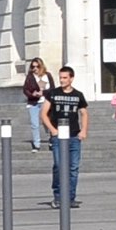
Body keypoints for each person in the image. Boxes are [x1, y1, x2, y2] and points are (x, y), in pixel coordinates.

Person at [39, 65, 89, 208]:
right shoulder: (53, 94)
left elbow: (84, 113)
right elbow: (43, 113)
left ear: (71, 78)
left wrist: (83, 130)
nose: (62, 80)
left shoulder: (78, 95)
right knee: (59, 165)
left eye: (65, 78)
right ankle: (58, 196)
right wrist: (52, 130)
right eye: (60, 78)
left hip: (74, 136)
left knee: (73, 167)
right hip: (58, 136)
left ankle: (70, 197)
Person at [22, 58, 54, 152]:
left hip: (45, 101)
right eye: (33, 67)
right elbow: (25, 89)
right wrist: (32, 94)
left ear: (41, 66)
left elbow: (53, 89)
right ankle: (36, 144)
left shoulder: (47, 75)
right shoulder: (30, 77)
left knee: (46, 122)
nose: (35, 68)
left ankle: (51, 139)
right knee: (34, 123)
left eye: (37, 66)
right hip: (33, 102)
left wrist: (43, 92)